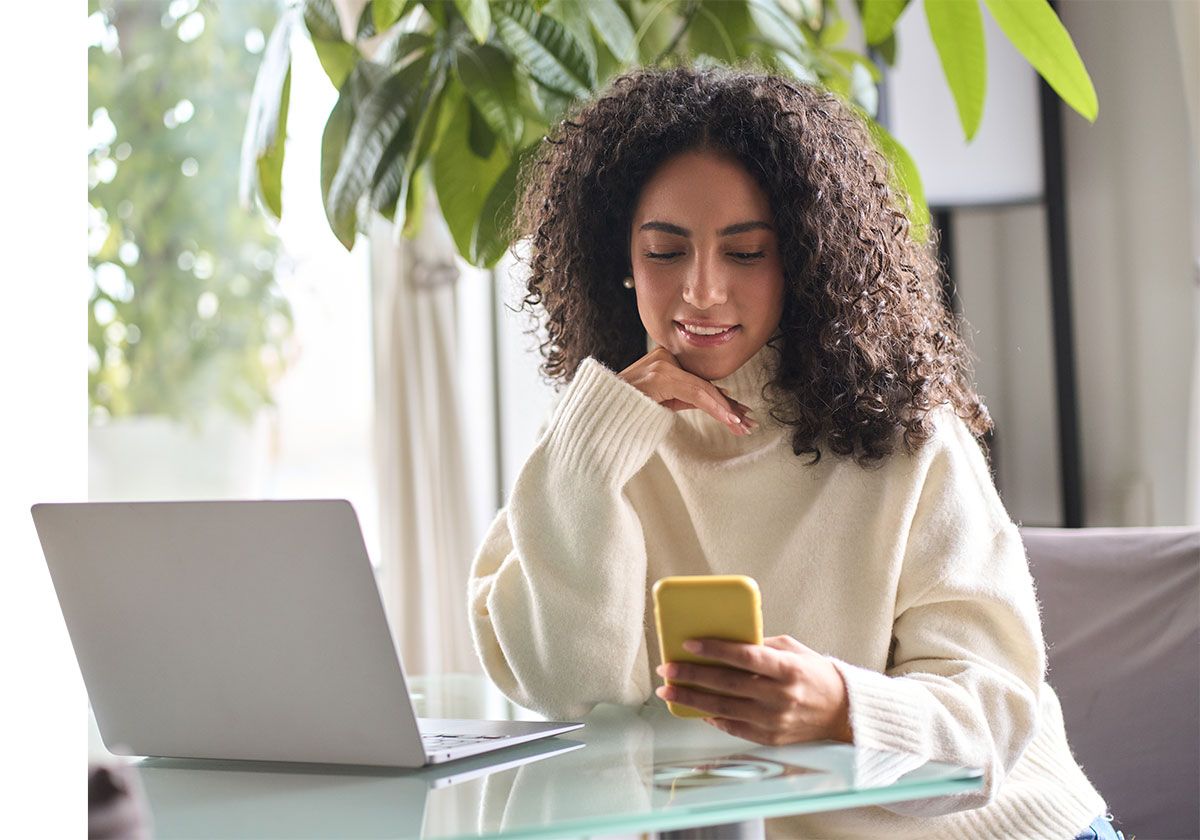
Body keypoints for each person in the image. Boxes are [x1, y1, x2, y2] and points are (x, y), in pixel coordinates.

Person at [467, 65, 1116, 839]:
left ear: (805, 259)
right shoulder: (591, 440)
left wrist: (841, 708)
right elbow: (569, 691)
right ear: (620, 258)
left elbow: (989, 724)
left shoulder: (905, 428)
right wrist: (590, 452)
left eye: (745, 253)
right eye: (665, 251)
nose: (701, 292)